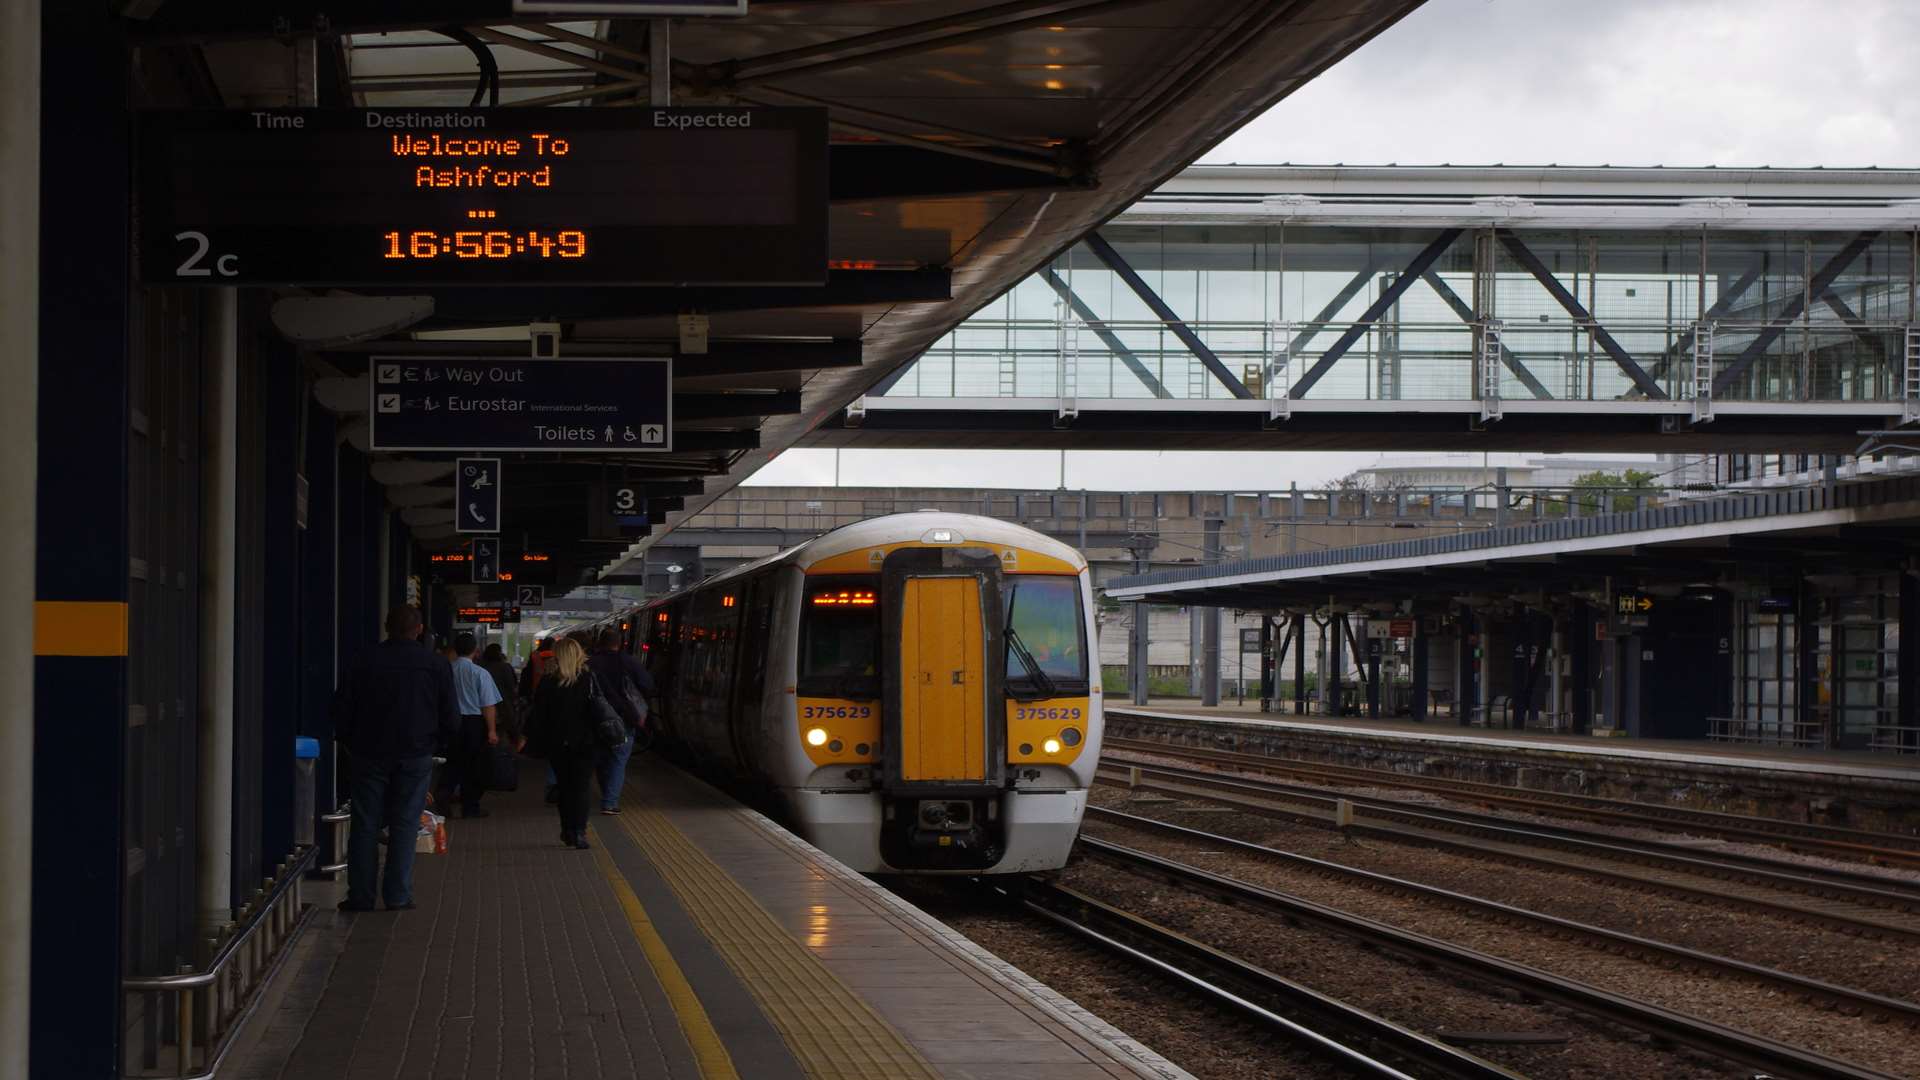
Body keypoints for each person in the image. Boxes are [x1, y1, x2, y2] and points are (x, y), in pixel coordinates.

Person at [330, 605, 458, 912]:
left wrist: (350, 742)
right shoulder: (435, 664)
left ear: (387, 627)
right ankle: (398, 896)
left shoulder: (363, 660)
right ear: (420, 629)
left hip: (369, 753)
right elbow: (450, 716)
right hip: (415, 754)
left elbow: (341, 709)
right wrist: (435, 743)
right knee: (405, 823)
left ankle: (361, 896)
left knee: (365, 824)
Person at [527, 638, 601, 849]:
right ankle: (579, 832)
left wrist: (526, 736)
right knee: (581, 788)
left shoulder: (548, 682)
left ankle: (567, 830)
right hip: (585, 744)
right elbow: (599, 709)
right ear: (579, 654)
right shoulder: (589, 679)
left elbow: (538, 714)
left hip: (558, 744)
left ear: (557, 656)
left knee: (565, 787)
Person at [587, 628, 655, 815]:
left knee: (602, 759)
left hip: (596, 718)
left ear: (599, 643)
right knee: (618, 760)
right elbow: (648, 685)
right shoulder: (629, 661)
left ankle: (606, 793)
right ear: (620, 643)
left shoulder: (590, 663)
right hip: (623, 717)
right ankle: (609, 802)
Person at [442, 631, 503, 819]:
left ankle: (443, 796)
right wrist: (492, 730)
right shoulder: (480, 673)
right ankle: (470, 807)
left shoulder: (446, 670)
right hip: (473, 724)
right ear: (475, 651)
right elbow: (488, 705)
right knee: (473, 767)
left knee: (451, 763)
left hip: (449, 723)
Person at [480, 643, 524, 750]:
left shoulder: (480, 667)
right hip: (504, 705)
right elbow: (511, 686)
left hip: (483, 705)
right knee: (505, 730)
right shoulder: (504, 667)